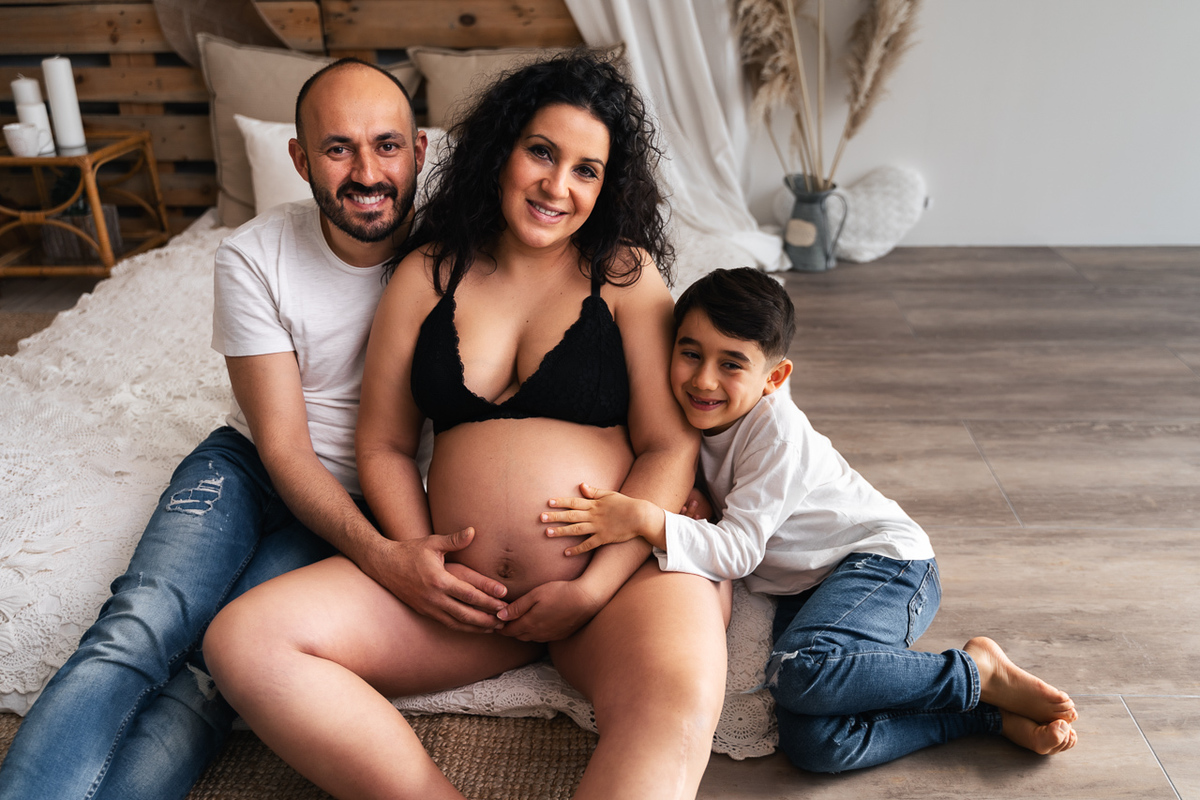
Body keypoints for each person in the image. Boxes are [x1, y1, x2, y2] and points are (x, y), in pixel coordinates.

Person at [203, 52, 732, 800]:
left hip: (613, 589)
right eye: (541, 152)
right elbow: (384, 444)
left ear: (606, 185)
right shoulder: (427, 273)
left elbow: (669, 444)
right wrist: (418, 563)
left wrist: (591, 589)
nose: (557, 186)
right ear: (501, 150)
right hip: (461, 605)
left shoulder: (625, 275)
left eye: (586, 170)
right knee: (243, 640)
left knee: (677, 698)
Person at [0, 59, 472, 800]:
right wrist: (384, 557)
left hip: (361, 499)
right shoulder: (254, 255)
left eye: (386, 145)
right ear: (300, 159)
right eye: (338, 148)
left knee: (210, 676)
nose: (366, 172)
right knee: (140, 624)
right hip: (250, 466)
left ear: (418, 151)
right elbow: (282, 447)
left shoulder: (463, 257)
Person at [539, 267, 1080, 773]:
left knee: (803, 673)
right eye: (690, 353)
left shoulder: (777, 433)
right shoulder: (687, 418)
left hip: (885, 563)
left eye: (731, 364)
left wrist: (645, 518)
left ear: (774, 377)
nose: (703, 380)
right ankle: (985, 717)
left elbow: (738, 551)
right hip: (806, 584)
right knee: (816, 744)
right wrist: (698, 501)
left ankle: (975, 670)